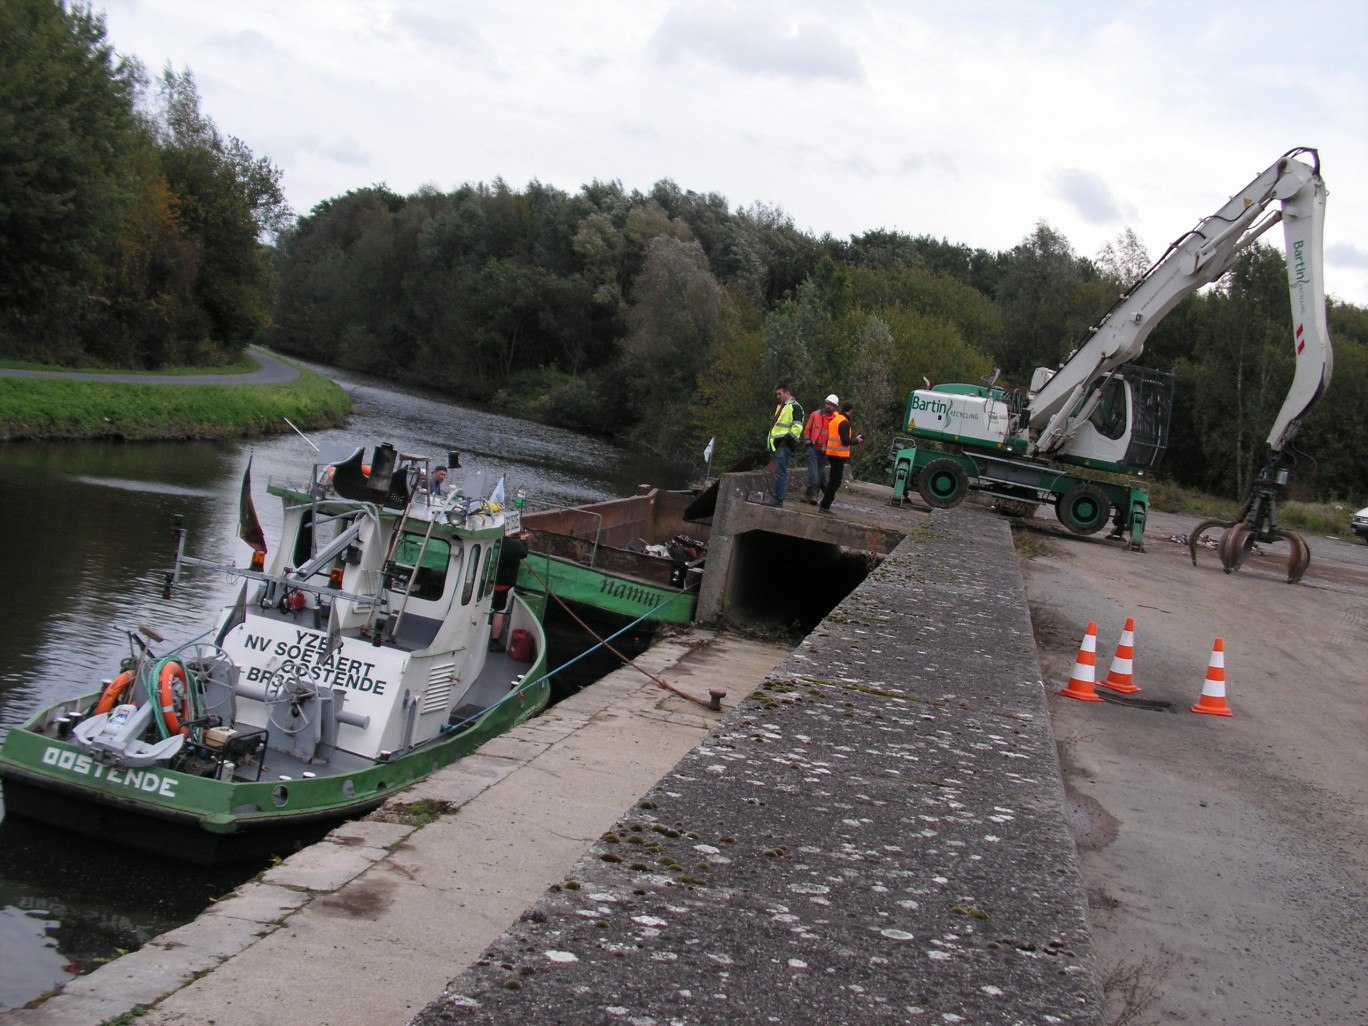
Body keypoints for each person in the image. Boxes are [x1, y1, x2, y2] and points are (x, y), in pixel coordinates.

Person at [818, 401, 863, 514]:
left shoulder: (835, 420)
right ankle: (825, 505)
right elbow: (845, 440)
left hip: (831, 453)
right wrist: (856, 440)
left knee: (833, 480)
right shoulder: (844, 422)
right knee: (835, 482)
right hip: (838, 455)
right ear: (850, 411)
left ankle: (825, 504)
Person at [489, 528, 530, 650]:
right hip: (505, 584)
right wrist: (523, 540)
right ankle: (494, 642)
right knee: (499, 612)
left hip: (489, 582)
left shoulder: (495, 541)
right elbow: (524, 553)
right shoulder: (515, 546)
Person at [764, 384, 803, 506]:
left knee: (781, 473)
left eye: (779, 394)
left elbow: (797, 427)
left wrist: (784, 441)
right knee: (780, 472)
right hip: (777, 445)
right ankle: (776, 499)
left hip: (783, 445)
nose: (777, 396)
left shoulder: (795, 407)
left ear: (787, 393)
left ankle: (777, 500)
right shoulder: (782, 407)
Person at [803, 394, 838, 504]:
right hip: (813, 448)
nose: (828, 406)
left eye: (831, 405)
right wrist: (808, 443)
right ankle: (814, 494)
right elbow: (807, 429)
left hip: (825, 451)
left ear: (835, 407)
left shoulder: (836, 420)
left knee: (818, 472)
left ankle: (809, 494)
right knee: (814, 472)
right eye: (827, 403)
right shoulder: (815, 415)